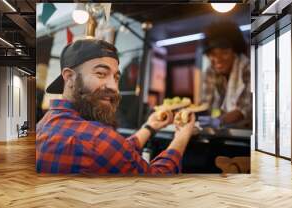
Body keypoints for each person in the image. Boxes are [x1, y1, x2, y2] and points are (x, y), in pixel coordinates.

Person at [36, 39, 195, 174]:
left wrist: (150, 126)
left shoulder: (43, 124)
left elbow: (117, 152)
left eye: (116, 77)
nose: (113, 86)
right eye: (101, 73)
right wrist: (182, 136)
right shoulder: (99, 140)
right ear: (69, 77)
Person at [200, 20, 252, 129]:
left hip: (245, 131)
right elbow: (207, 104)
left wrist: (219, 120)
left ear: (235, 52)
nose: (218, 59)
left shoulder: (247, 68)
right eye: (213, 54)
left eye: (224, 53)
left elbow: (244, 108)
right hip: (221, 132)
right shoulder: (210, 72)